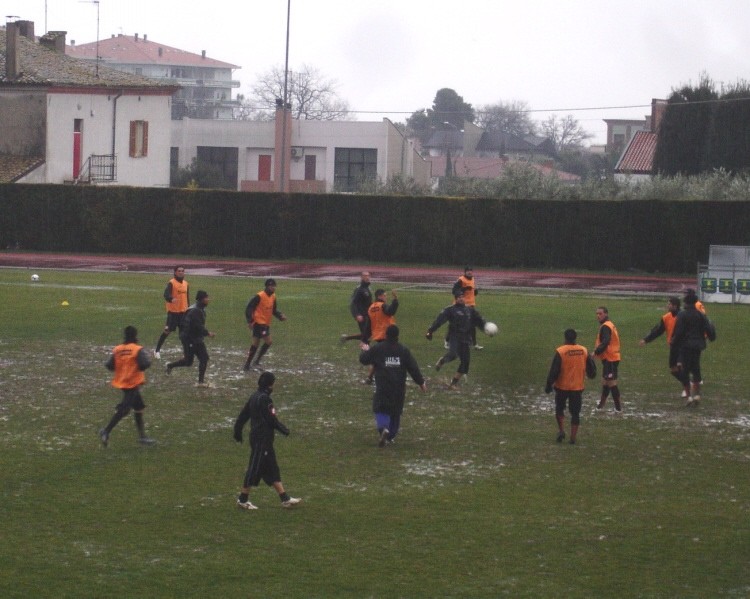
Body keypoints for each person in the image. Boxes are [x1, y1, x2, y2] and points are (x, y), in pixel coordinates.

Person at [233, 371, 301, 510]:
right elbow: (271, 419)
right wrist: (284, 430)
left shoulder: (254, 396)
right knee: (254, 468)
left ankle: (285, 498)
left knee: (272, 468)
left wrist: (237, 431)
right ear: (270, 385)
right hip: (261, 440)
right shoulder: (265, 399)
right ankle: (242, 499)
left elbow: (243, 415)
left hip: (260, 439)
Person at [359, 325, 427, 446]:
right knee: (396, 411)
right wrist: (421, 382)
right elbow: (413, 367)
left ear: (385, 335)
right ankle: (390, 435)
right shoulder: (403, 350)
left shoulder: (378, 348)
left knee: (380, 408)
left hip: (383, 385)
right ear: (397, 336)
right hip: (399, 387)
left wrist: (365, 350)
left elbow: (364, 360)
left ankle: (383, 429)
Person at [99, 326, 155, 447]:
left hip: (122, 382)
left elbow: (109, 365)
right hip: (132, 383)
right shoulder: (137, 349)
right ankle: (106, 431)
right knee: (124, 410)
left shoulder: (118, 349)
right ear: (135, 336)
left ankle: (142, 437)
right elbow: (144, 364)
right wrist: (147, 363)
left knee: (139, 407)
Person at [426, 289, 487, 389]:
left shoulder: (470, 310)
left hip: (466, 338)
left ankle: (453, 383)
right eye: (459, 297)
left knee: (465, 363)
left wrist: (486, 328)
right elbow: (439, 321)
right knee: (453, 354)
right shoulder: (450, 310)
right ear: (455, 299)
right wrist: (430, 331)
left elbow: (479, 321)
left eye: (462, 297)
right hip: (454, 336)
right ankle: (442, 361)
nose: (461, 299)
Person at [545, 328, 596, 444]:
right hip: (577, 387)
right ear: (575, 337)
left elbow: (554, 371)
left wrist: (549, 385)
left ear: (565, 338)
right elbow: (591, 369)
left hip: (562, 386)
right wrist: (591, 374)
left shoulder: (561, 351)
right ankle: (573, 438)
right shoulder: (583, 350)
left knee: (559, 409)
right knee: (575, 413)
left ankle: (562, 430)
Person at [671, 291, 716, 406]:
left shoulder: (682, 315)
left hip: (686, 346)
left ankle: (688, 397)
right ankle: (697, 395)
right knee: (696, 369)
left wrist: (674, 342)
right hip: (698, 346)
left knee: (685, 370)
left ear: (686, 303)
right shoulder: (700, 315)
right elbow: (708, 329)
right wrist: (711, 337)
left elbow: (679, 332)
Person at [166, 290, 215, 387]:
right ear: (202, 299)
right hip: (191, 339)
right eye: (206, 298)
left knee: (188, 362)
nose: (208, 300)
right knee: (203, 358)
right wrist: (208, 333)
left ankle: (170, 366)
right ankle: (201, 382)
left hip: (190, 338)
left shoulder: (197, 308)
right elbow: (197, 326)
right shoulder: (196, 310)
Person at [639, 297, 685, 396]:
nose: (667, 306)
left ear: (675, 306)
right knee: (673, 370)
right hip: (673, 346)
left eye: (669, 304)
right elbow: (657, 331)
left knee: (680, 366)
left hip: (683, 346)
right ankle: (689, 383)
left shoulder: (683, 316)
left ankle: (687, 387)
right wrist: (646, 339)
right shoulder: (666, 317)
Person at [243, 278, 287, 370]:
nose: (273, 288)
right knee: (268, 341)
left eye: (274, 286)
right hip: (259, 323)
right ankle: (256, 361)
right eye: (271, 286)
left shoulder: (273, 296)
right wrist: (250, 321)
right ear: (267, 287)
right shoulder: (259, 296)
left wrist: (280, 316)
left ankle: (248, 365)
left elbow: (273, 310)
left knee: (255, 344)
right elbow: (249, 308)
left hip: (265, 323)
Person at [362, 288, 399, 384]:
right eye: (385, 295)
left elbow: (368, 326)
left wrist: (365, 339)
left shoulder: (371, 308)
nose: (386, 297)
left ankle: (370, 377)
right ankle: (386, 376)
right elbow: (391, 311)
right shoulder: (382, 305)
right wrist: (395, 300)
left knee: (380, 357)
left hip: (378, 336)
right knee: (390, 357)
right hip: (387, 335)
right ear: (380, 296)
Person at [153, 265, 189, 359]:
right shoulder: (171, 283)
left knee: (183, 334)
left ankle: (186, 353)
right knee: (167, 331)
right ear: (175, 272)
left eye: (182, 270)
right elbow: (166, 294)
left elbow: (187, 298)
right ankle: (157, 350)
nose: (181, 272)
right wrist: (171, 299)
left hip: (183, 313)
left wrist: (188, 309)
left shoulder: (186, 284)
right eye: (179, 271)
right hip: (173, 313)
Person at [592, 306, 622, 412]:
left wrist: (596, 352)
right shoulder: (609, 325)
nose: (598, 316)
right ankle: (601, 405)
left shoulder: (606, 326)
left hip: (611, 359)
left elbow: (606, 342)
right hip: (609, 358)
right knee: (605, 382)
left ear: (606, 314)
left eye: (600, 314)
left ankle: (618, 409)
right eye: (597, 314)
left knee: (611, 383)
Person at [450, 266, 482, 350]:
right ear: (465, 272)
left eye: (471, 271)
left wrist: (475, 292)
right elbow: (454, 291)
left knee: (472, 325)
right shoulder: (461, 280)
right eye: (468, 271)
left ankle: (474, 344)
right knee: (457, 325)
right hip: (461, 306)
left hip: (471, 305)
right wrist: (464, 289)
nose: (469, 272)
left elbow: (472, 293)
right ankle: (447, 341)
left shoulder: (472, 279)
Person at [340, 271, 373, 345]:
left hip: (368, 314)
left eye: (368, 275)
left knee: (367, 334)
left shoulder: (368, 288)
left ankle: (346, 338)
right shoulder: (359, 289)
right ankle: (366, 351)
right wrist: (357, 314)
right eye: (365, 276)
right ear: (361, 277)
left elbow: (368, 302)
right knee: (366, 335)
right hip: (361, 315)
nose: (367, 277)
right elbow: (353, 303)